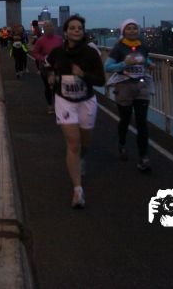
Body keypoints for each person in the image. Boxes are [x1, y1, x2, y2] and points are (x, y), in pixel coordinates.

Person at [47, 15, 105, 208]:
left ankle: (82, 158)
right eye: (72, 28)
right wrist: (51, 76)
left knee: (84, 143)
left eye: (79, 28)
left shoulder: (91, 53)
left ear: (83, 31)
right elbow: (47, 66)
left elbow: (101, 80)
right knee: (73, 142)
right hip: (64, 100)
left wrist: (83, 75)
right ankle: (78, 190)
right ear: (65, 32)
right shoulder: (58, 53)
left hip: (86, 100)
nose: (76, 31)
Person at [105, 19, 154, 172]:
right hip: (124, 86)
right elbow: (108, 67)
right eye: (129, 28)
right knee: (125, 119)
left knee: (142, 122)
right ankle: (122, 143)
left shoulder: (143, 46)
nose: (132, 30)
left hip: (141, 86)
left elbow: (144, 58)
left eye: (134, 28)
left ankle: (143, 157)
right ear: (123, 31)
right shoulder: (119, 48)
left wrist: (149, 63)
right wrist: (124, 63)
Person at [31, 21, 63, 114]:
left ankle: (57, 105)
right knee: (48, 86)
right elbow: (35, 52)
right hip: (46, 67)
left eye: (51, 26)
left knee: (58, 87)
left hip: (57, 66)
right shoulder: (40, 40)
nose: (49, 28)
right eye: (47, 26)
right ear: (44, 29)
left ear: (54, 27)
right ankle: (50, 105)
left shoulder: (59, 39)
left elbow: (63, 50)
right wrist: (43, 58)